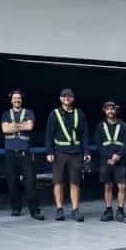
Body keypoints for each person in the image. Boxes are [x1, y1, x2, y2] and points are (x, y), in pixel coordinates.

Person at [46, 88, 89, 221]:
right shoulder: (54, 114)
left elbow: (84, 133)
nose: (66, 98)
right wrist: (49, 152)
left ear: (73, 98)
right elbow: (49, 134)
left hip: (76, 153)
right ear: (60, 98)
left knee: (75, 183)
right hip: (59, 153)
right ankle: (59, 210)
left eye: (69, 96)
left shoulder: (79, 113)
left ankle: (75, 210)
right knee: (58, 182)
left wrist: (86, 151)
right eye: (64, 96)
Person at [1, 89, 44, 220]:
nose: (17, 100)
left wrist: (14, 126)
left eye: (19, 98)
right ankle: (16, 208)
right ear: (11, 100)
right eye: (15, 98)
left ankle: (35, 211)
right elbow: (5, 129)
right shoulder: (6, 114)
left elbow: (30, 127)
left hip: (25, 153)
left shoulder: (28, 112)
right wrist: (22, 125)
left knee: (30, 183)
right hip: (10, 154)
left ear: (22, 99)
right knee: (12, 182)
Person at [95, 101, 126, 223]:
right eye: (108, 109)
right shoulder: (100, 126)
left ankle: (120, 211)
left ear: (116, 110)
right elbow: (99, 145)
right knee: (108, 185)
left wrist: (118, 155)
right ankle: (108, 210)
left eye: (112, 109)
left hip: (120, 160)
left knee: (122, 186)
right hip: (106, 160)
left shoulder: (124, 126)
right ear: (104, 111)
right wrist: (109, 157)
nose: (110, 111)